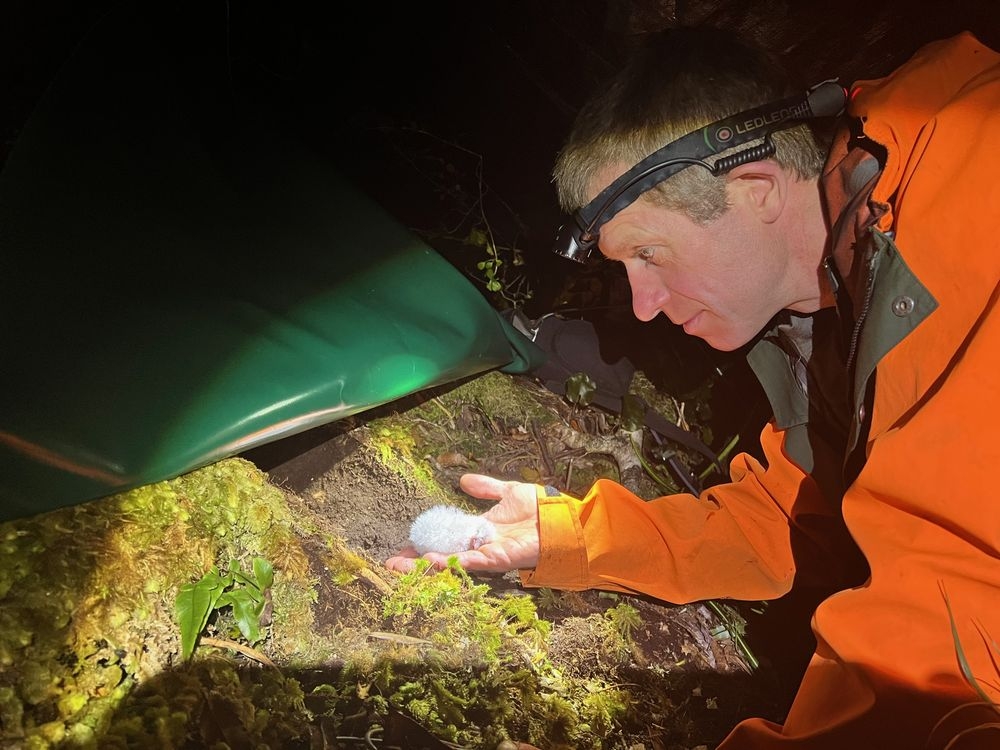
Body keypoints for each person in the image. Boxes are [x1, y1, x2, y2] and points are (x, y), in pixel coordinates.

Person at [387, 25, 1000, 749]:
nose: (643, 305)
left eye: (650, 254)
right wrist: (571, 535)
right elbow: (786, 520)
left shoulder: (969, 197)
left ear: (756, 188)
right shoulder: (826, 309)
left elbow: (951, 605)